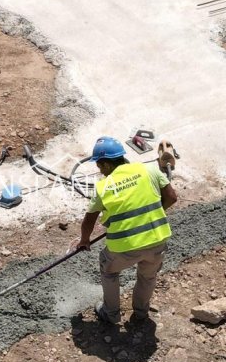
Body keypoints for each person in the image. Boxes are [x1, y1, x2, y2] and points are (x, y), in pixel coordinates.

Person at [74, 136, 178, 326]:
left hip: (124, 247)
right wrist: (152, 213)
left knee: (109, 271)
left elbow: (89, 219)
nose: (99, 170)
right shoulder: (149, 170)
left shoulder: (103, 186)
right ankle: (140, 313)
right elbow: (172, 197)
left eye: (99, 166)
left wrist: (84, 241)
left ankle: (111, 313)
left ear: (105, 164)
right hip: (157, 240)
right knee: (147, 276)